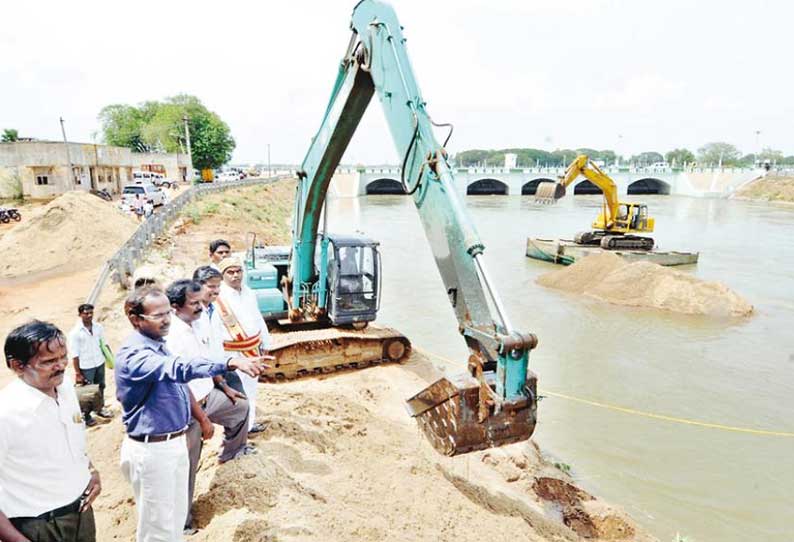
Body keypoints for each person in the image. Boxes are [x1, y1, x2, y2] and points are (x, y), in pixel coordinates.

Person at [115, 285, 265, 542]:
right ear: (135, 319)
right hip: (153, 450)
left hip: (171, 442)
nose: (166, 320)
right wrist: (229, 362)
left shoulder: (158, 344)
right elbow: (180, 368)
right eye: (159, 315)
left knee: (172, 522)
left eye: (167, 313)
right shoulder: (135, 355)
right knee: (158, 530)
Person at [164, 279, 257, 534]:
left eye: (200, 302)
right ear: (175, 307)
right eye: (194, 303)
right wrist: (203, 419)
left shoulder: (195, 325)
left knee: (240, 408)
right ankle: (182, 523)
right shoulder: (173, 338)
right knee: (186, 469)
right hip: (188, 411)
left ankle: (230, 452)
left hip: (208, 396)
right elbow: (180, 385)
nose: (200, 307)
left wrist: (224, 387)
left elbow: (206, 362)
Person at [0, 321, 101, 542]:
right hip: (39, 527)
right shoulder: (6, 413)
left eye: (63, 357)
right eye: (49, 361)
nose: (61, 365)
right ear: (17, 366)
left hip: (81, 514)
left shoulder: (65, 391)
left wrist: (90, 470)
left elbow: (72, 443)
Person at [216, 257, 270, 433]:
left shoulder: (249, 292)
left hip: (253, 351)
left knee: (251, 390)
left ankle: (249, 424)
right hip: (231, 354)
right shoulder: (219, 299)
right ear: (223, 275)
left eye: (238, 271)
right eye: (230, 272)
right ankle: (236, 431)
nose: (235, 275)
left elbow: (258, 318)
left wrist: (266, 341)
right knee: (236, 393)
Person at [193, 265, 244, 395]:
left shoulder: (213, 309)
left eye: (218, 286)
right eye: (211, 287)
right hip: (205, 376)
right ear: (196, 286)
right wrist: (222, 384)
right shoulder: (193, 316)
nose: (216, 291)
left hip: (221, 368)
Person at [68, 303, 113, 426]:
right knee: (87, 392)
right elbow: (75, 355)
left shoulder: (98, 327)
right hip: (86, 366)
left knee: (101, 387)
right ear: (80, 314)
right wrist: (78, 373)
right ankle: (87, 416)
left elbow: (105, 343)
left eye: (91, 313)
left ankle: (100, 409)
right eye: (86, 313)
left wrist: (111, 359)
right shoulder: (75, 333)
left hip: (99, 362)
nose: (89, 315)